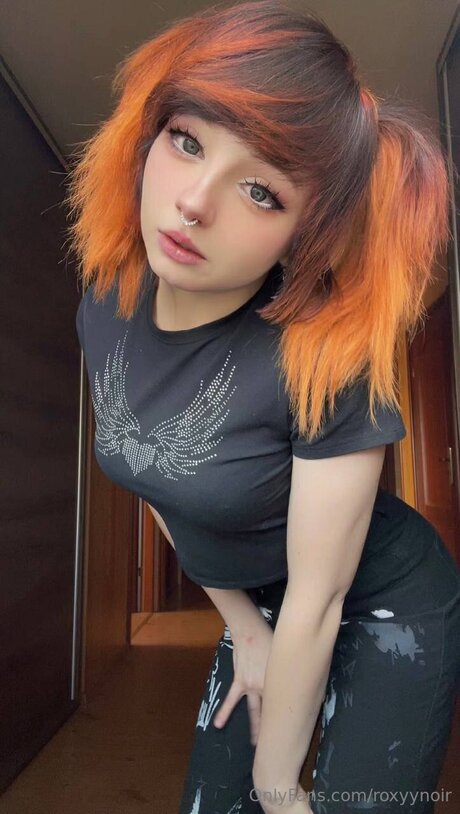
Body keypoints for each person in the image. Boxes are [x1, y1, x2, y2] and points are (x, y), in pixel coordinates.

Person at [66, 1, 460, 811]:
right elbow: (155, 475)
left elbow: (320, 598)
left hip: (381, 596)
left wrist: (280, 790)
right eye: (187, 140)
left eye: (260, 191)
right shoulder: (104, 306)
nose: (193, 202)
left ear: (303, 234)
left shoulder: (320, 359)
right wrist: (245, 627)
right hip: (266, 599)